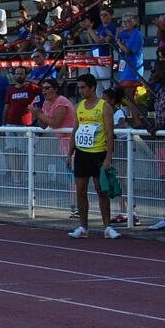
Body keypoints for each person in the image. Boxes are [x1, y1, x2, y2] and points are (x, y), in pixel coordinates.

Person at [66, 74, 120, 239]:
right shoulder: (79, 107)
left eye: (83, 87)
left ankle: (107, 227)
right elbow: (75, 131)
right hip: (82, 154)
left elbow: (110, 134)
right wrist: (70, 154)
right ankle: (83, 227)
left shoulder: (104, 107)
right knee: (81, 190)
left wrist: (108, 158)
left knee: (101, 190)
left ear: (92, 87)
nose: (81, 90)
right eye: (79, 87)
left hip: (98, 153)